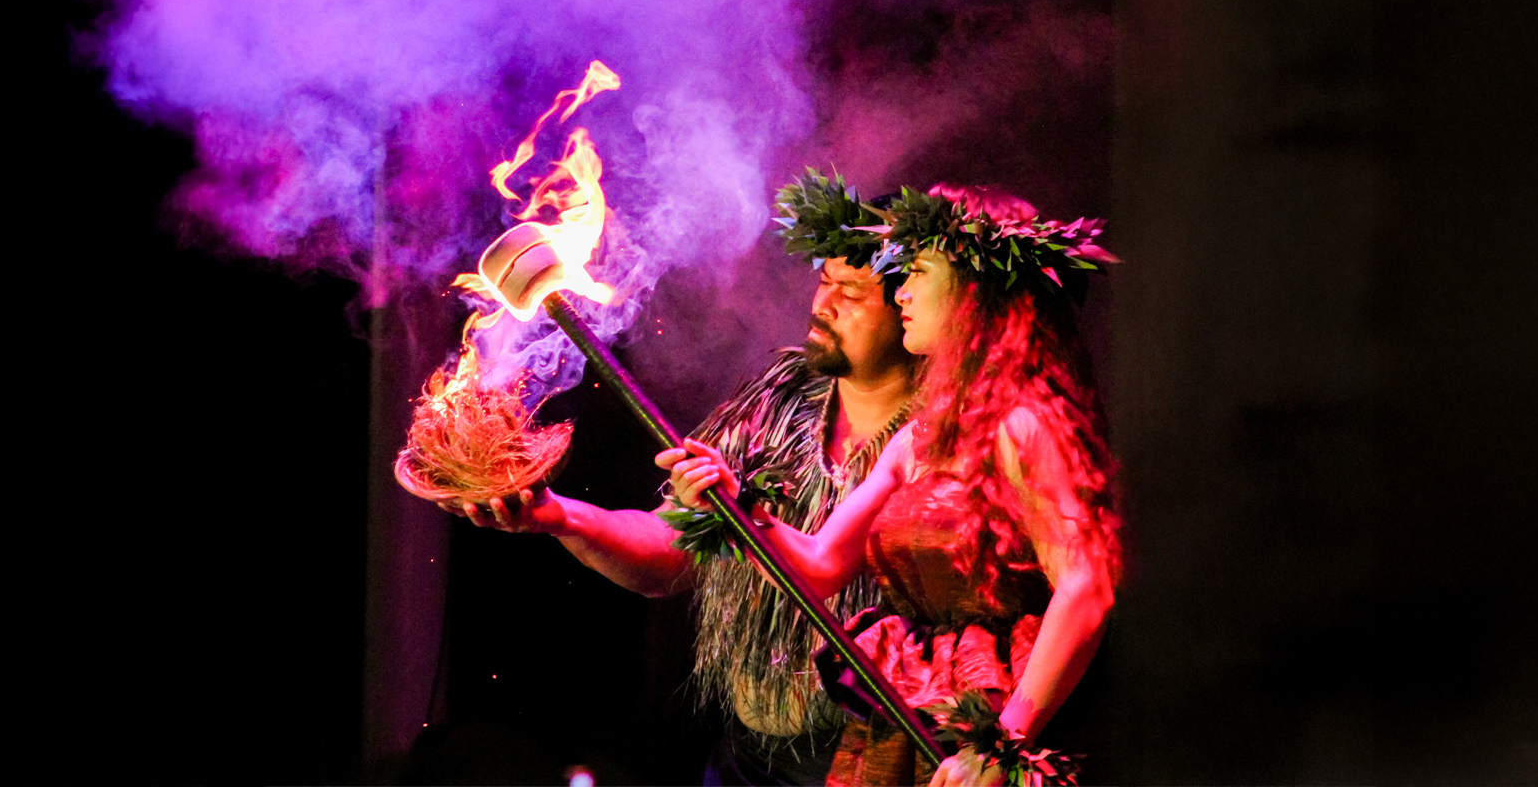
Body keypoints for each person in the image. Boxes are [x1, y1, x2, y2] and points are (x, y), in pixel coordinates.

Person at [443, 172, 918, 786]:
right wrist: (560, 516)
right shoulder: (779, 396)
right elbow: (672, 556)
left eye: (851, 293)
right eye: (824, 281)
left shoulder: (950, 438)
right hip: (745, 759)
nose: (821, 306)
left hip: (881, 759)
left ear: (912, 308)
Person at [666, 184, 1122, 787]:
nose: (900, 290)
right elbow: (821, 564)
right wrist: (733, 505)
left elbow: (1087, 587)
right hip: (909, 717)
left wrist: (1004, 743)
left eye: (918, 272)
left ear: (972, 287)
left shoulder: (1024, 424)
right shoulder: (918, 439)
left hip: (991, 725)